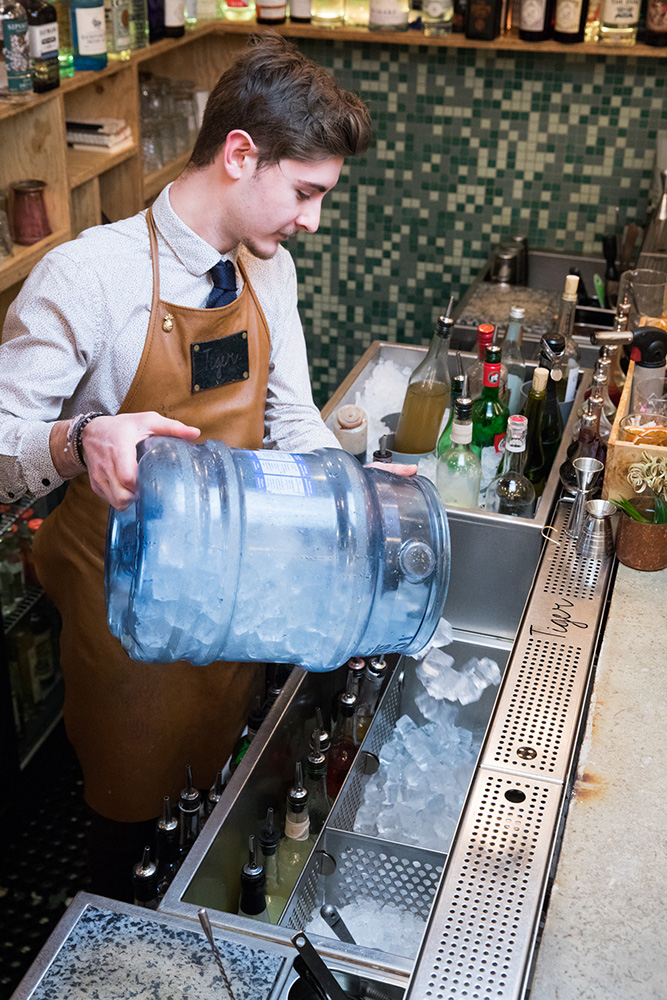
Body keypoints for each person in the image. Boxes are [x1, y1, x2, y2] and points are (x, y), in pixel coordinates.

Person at [0, 34, 409, 901]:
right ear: (239, 154)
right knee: (129, 829)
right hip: (126, 610)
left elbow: (287, 415)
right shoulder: (88, 277)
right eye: (304, 192)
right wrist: (80, 439)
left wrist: (358, 501)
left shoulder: (268, 268)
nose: (311, 220)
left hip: (238, 601)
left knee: (217, 801)